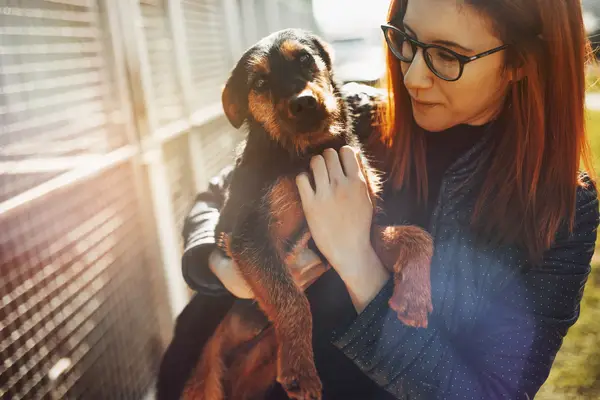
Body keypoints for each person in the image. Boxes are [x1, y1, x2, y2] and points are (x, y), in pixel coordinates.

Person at [156, 0, 600, 398]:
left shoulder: (563, 208)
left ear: (522, 61)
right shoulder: (354, 114)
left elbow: (494, 391)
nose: (412, 76)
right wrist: (220, 270)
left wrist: (357, 263)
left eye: (447, 56)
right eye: (405, 40)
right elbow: (217, 194)